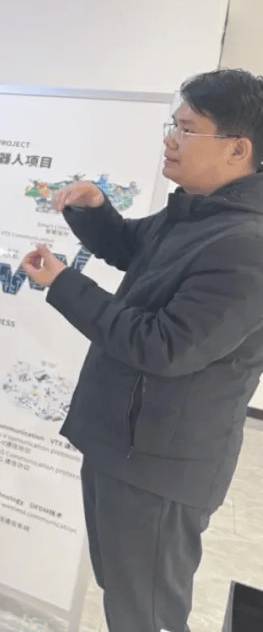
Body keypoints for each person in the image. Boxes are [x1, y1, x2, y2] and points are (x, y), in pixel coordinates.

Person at [21, 69, 263, 632]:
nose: (170, 139)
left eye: (187, 128)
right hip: (123, 443)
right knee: (124, 594)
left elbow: (165, 346)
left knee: (148, 614)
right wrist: (93, 211)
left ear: (238, 148)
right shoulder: (199, 210)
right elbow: (136, 246)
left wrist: (64, 284)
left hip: (160, 465)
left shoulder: (246, 245)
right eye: (172, 125)